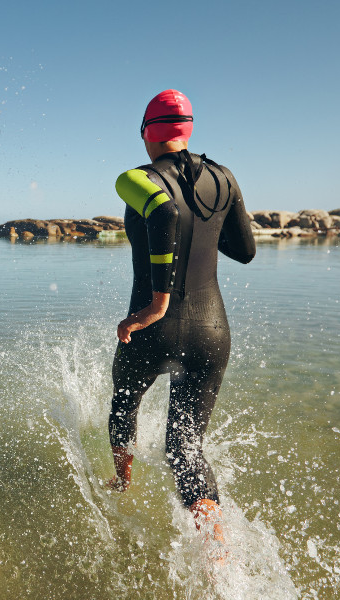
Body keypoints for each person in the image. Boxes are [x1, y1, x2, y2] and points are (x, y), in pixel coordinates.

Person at [105, 90, 256, 538]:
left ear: (148, 133)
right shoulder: (224, 178)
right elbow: (245, 250)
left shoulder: (134, 178)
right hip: (212, 330)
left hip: (152, 328)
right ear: (187, 130)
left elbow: (165, 211)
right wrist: (206, 229)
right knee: (185, 448)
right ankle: (217, 550)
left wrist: (158, 303)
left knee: (124, 403)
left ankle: (120, 481)